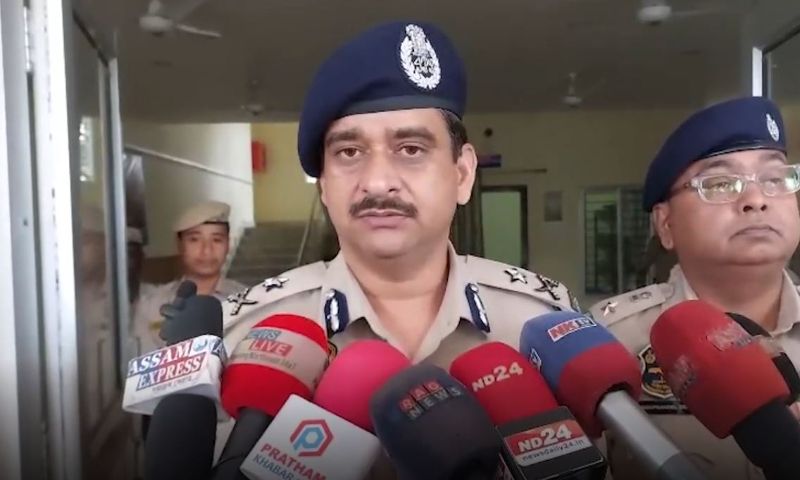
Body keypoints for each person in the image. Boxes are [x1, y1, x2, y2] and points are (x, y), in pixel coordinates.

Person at [216, 21, 579, 476]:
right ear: (324, 185)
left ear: (462, 174)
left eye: (410, 149)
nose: (377, 182)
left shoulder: (545, 323)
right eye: (349, 153)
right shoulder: (243, 336)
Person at [588, 96, 800, 480]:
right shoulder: (606, 341)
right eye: (720, 184)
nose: (756, 200)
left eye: (774, 180)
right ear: (666, 225)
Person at [133, 200, 244, 356]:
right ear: (179, 245)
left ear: (228, 245)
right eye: (194, 240)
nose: (206, 251)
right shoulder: (151, 305)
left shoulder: (248, 302)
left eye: (217, 240)